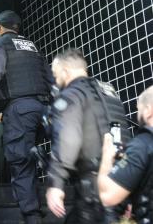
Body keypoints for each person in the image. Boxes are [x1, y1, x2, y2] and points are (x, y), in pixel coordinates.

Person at [0, 10, 53, 224]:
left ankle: (32, 217)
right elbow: (49, 77)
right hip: (43, 108)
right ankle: (43, 157)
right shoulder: (32, 46)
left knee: (21, 162)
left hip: (19, 110)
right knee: (33, 153)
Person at [46, 49, 130, 223]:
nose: (55, 80)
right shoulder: (109, 92)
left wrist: (56, 183)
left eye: (55, 74)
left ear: (65, 71)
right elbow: (124, 134)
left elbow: (68, 139)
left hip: (93, 186)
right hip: (122, 180)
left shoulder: (71, 95)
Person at [98, 85, 153, 223]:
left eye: (138, 109)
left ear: (148, 111)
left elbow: (107, 196)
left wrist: (106, 156)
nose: (137, 114)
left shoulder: (142, 145)